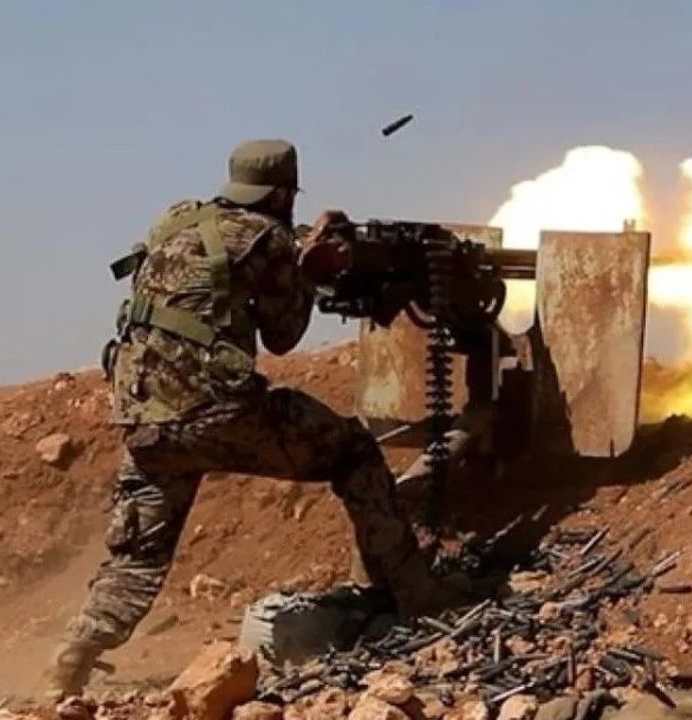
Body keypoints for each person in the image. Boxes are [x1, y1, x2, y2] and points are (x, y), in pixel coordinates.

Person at [46, 139, 471, 700]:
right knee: (355, 452)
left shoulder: (175, 221)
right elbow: (284, 335)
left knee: (138, 557)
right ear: (284, 194)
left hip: (145, 420)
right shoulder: (267, 239)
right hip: (220, 414)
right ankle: (416, 593)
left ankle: (73, 658)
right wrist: (308, 271)